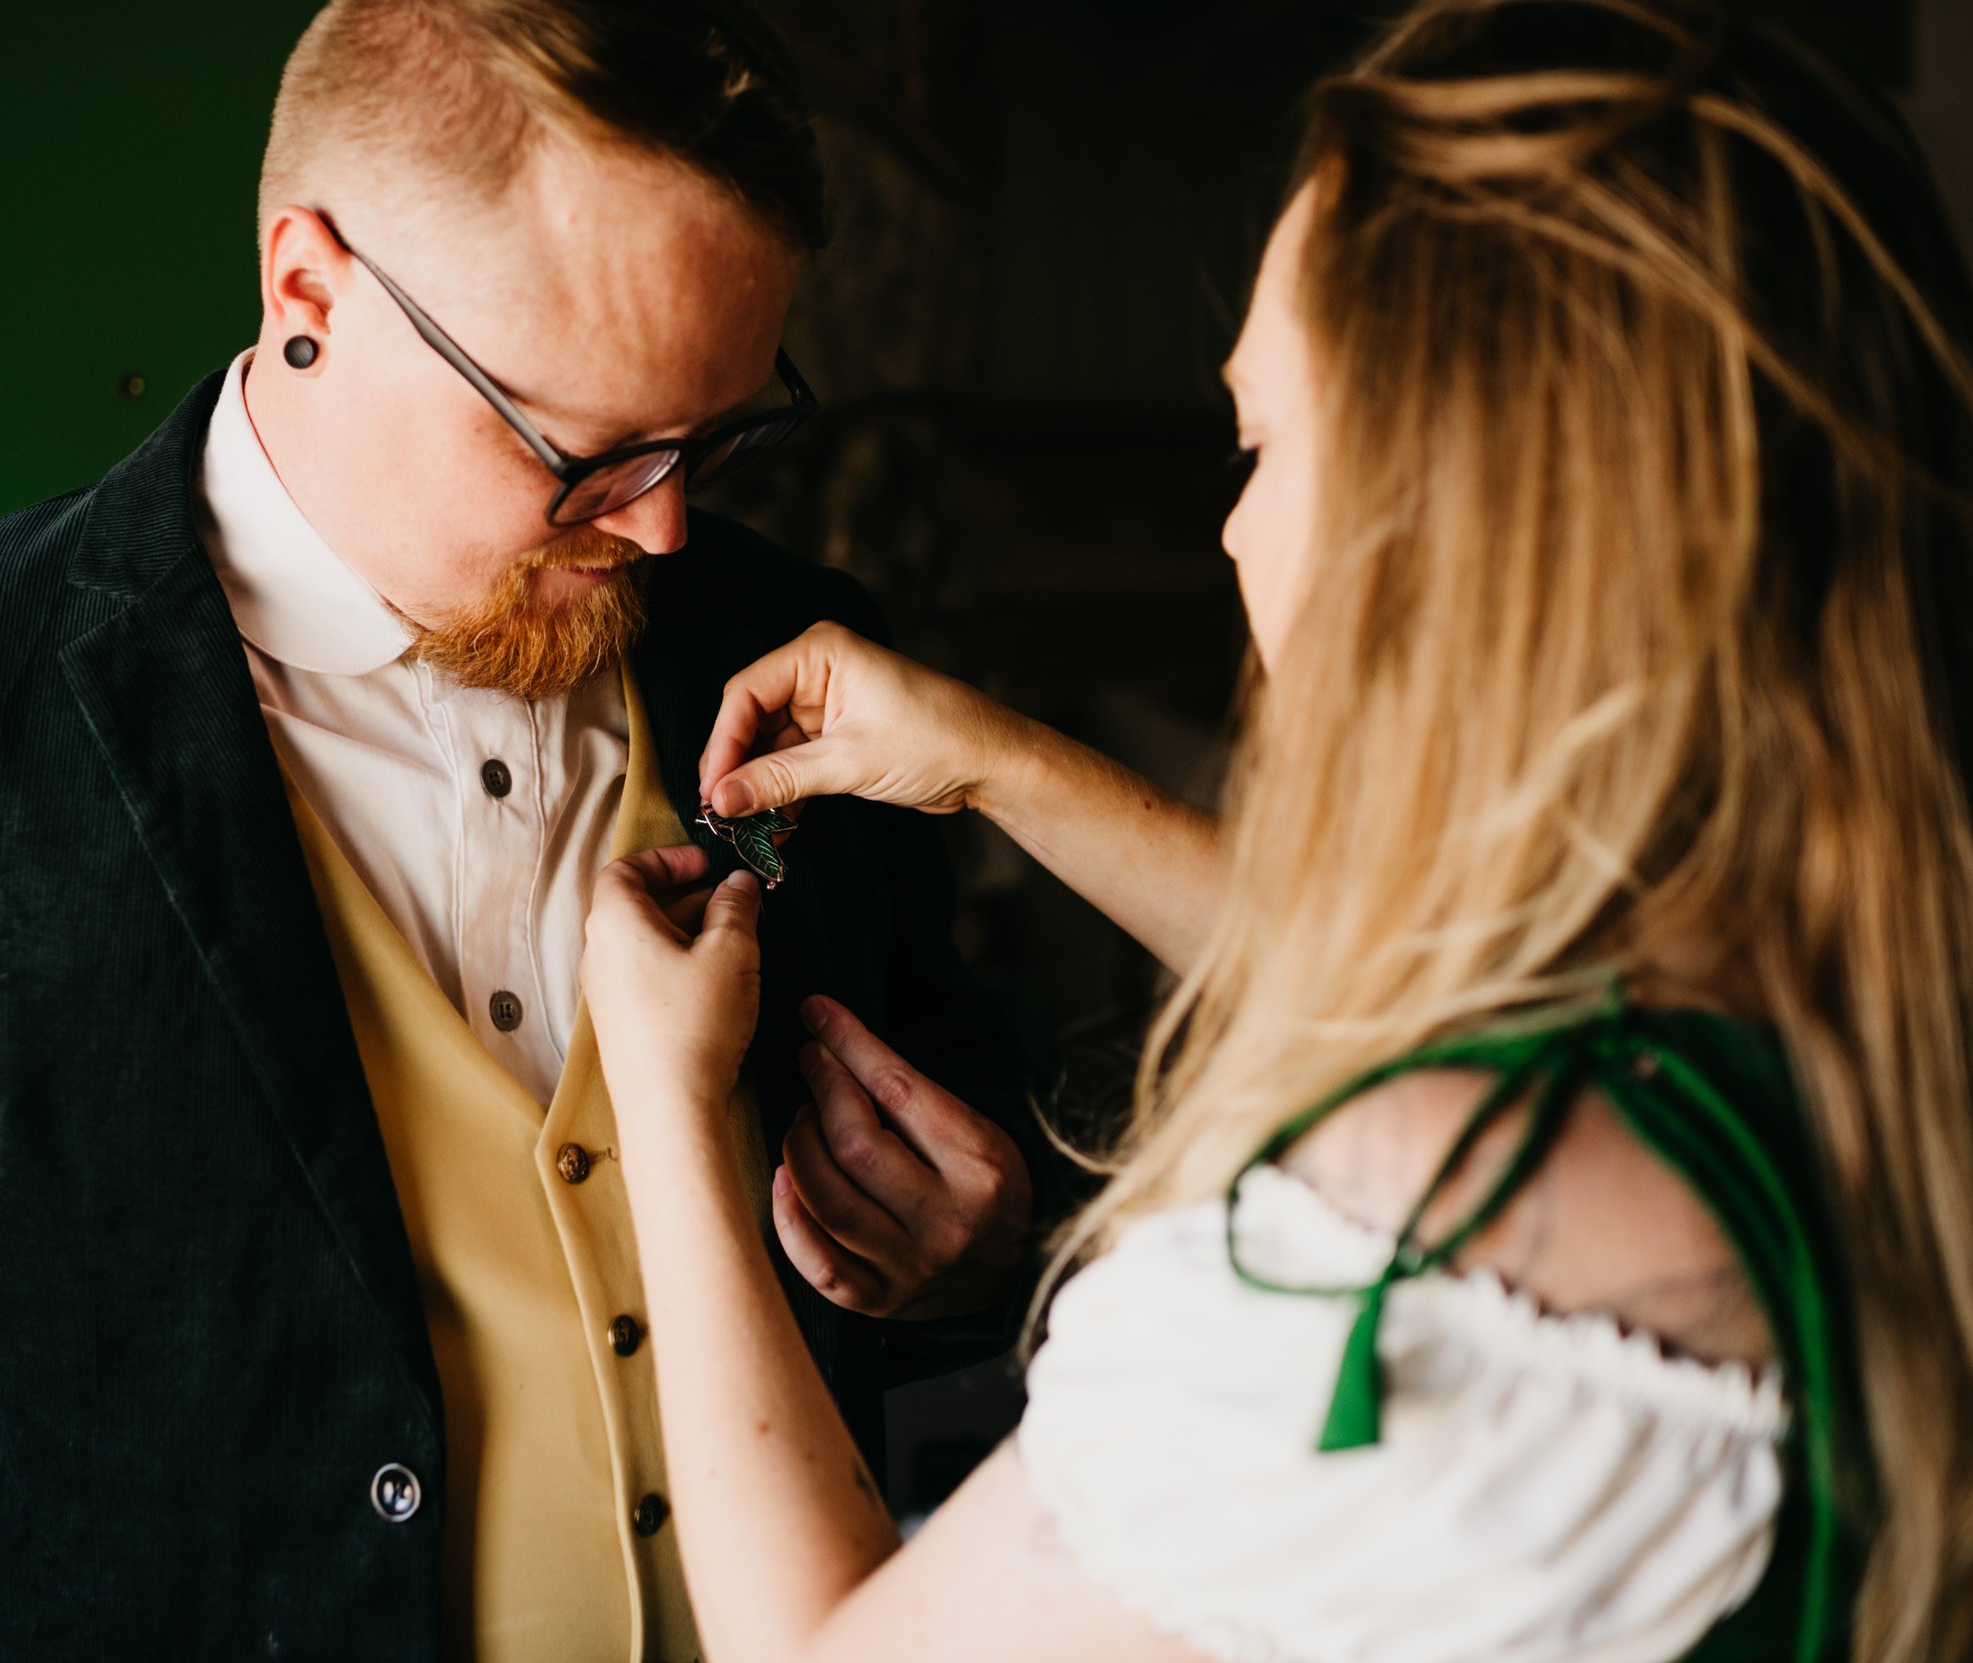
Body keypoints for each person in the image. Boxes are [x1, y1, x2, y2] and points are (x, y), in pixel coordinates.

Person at [579, 1, 1973, 1659]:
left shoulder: (1418, 1261)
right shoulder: (1862, 1004)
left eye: (1261, 442)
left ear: (1447, 530)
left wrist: (661, 1109)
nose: (1236, 530)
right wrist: (999, 766)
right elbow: (1453, 992)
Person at [0, 4, 1037, 1659]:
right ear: (309, 286)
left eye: (723, 432)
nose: (668, 522)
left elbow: (940, 1169)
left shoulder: (797, 644)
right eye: (586, 449)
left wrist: (967, 1249)